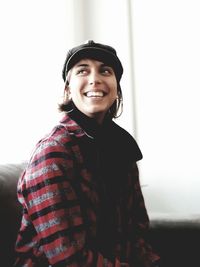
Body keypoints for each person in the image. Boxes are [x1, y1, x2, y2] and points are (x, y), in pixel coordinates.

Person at [14, 40, 160, 267]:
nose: (95, 78)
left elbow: (137, 234)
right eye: (83, 70)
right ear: (67, 89)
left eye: (105, 70)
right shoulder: (53, 154)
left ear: (117, 89)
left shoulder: (123, 148)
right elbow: (68, 258)